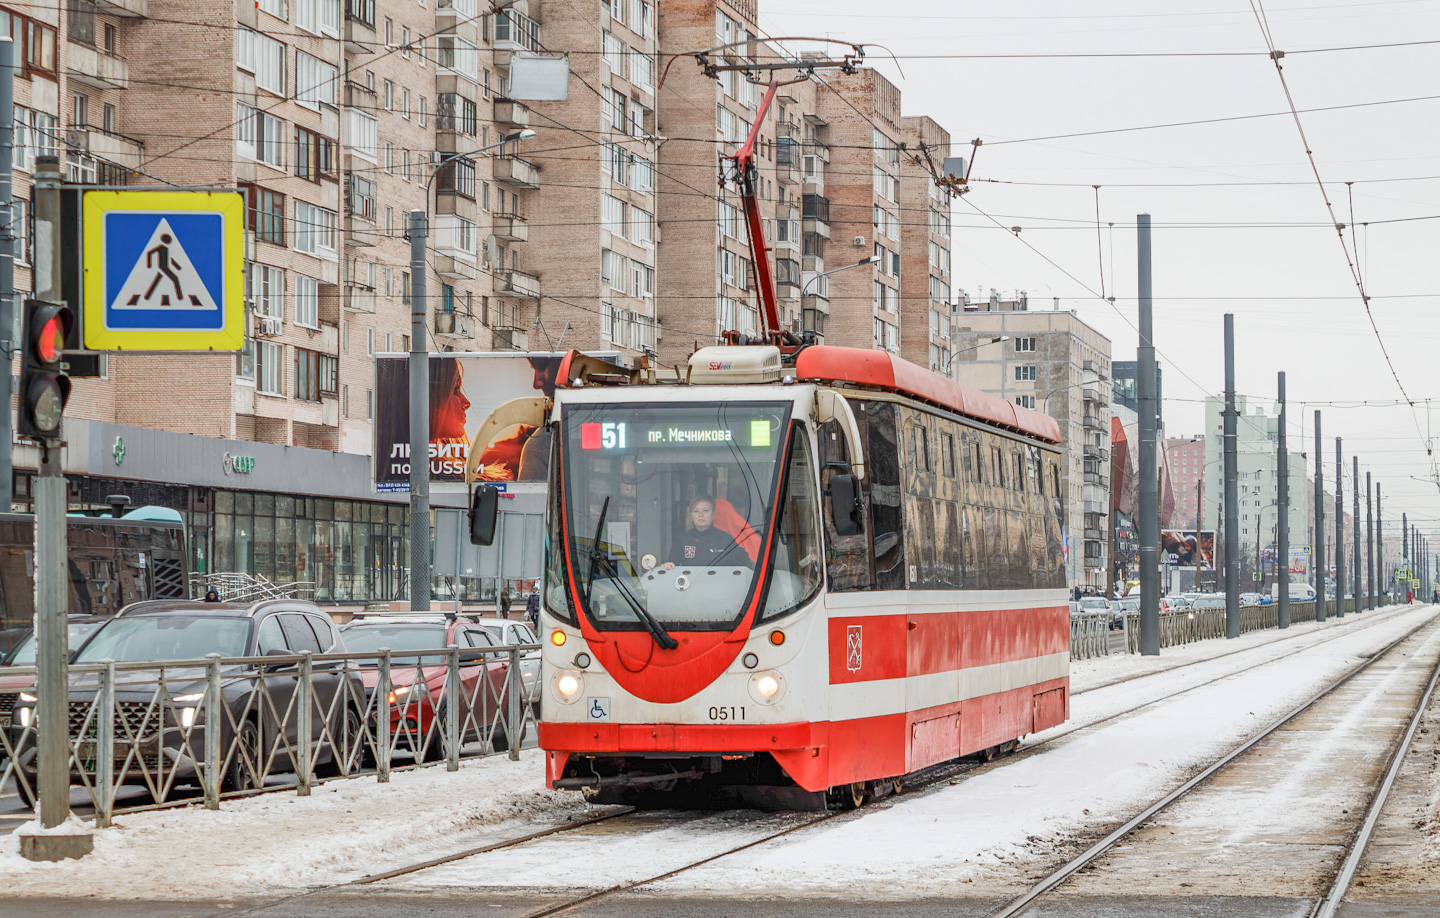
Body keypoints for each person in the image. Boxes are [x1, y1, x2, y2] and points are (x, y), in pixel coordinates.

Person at [663, 497, 745, 569]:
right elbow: (672, 565)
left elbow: (742, 568)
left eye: (706, 510)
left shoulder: (726, 539)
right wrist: (669, 566)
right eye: (696, 511)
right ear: (691, 515)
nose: (700, 514)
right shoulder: (682, 540)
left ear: (713, 514)